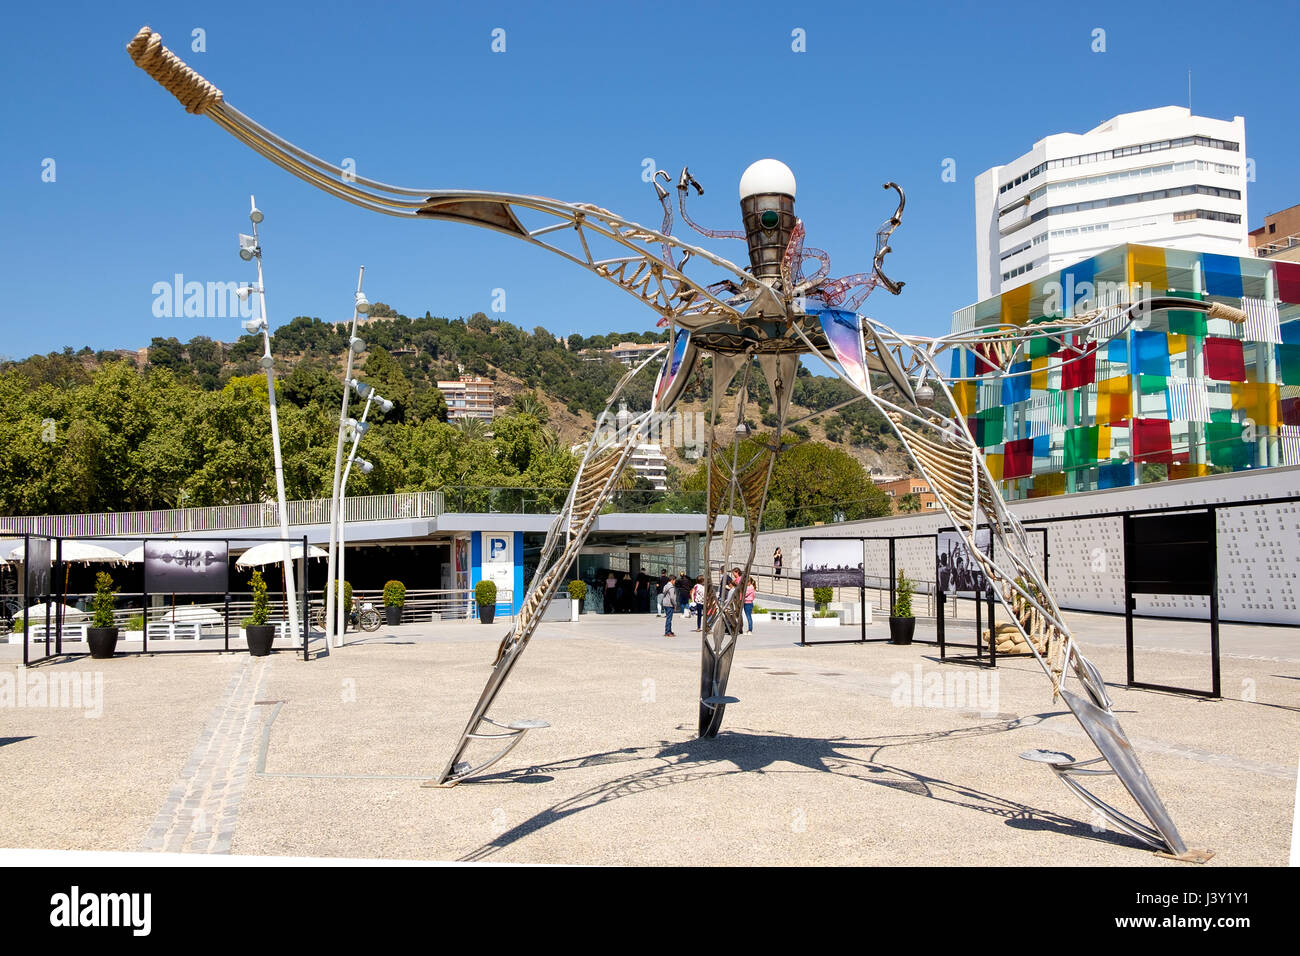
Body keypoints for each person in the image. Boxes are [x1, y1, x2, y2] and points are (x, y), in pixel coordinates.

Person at [660, 573, 677, 637]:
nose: (675, 582)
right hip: (670, 604)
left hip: (665, 603)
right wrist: (675, 604)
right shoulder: (671, 587)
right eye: (675, 580)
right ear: (672, 580)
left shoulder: (666, 586)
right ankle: (667, 632)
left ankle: (669, 630)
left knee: (668, 618)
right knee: (669, 619)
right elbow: (672, 597)